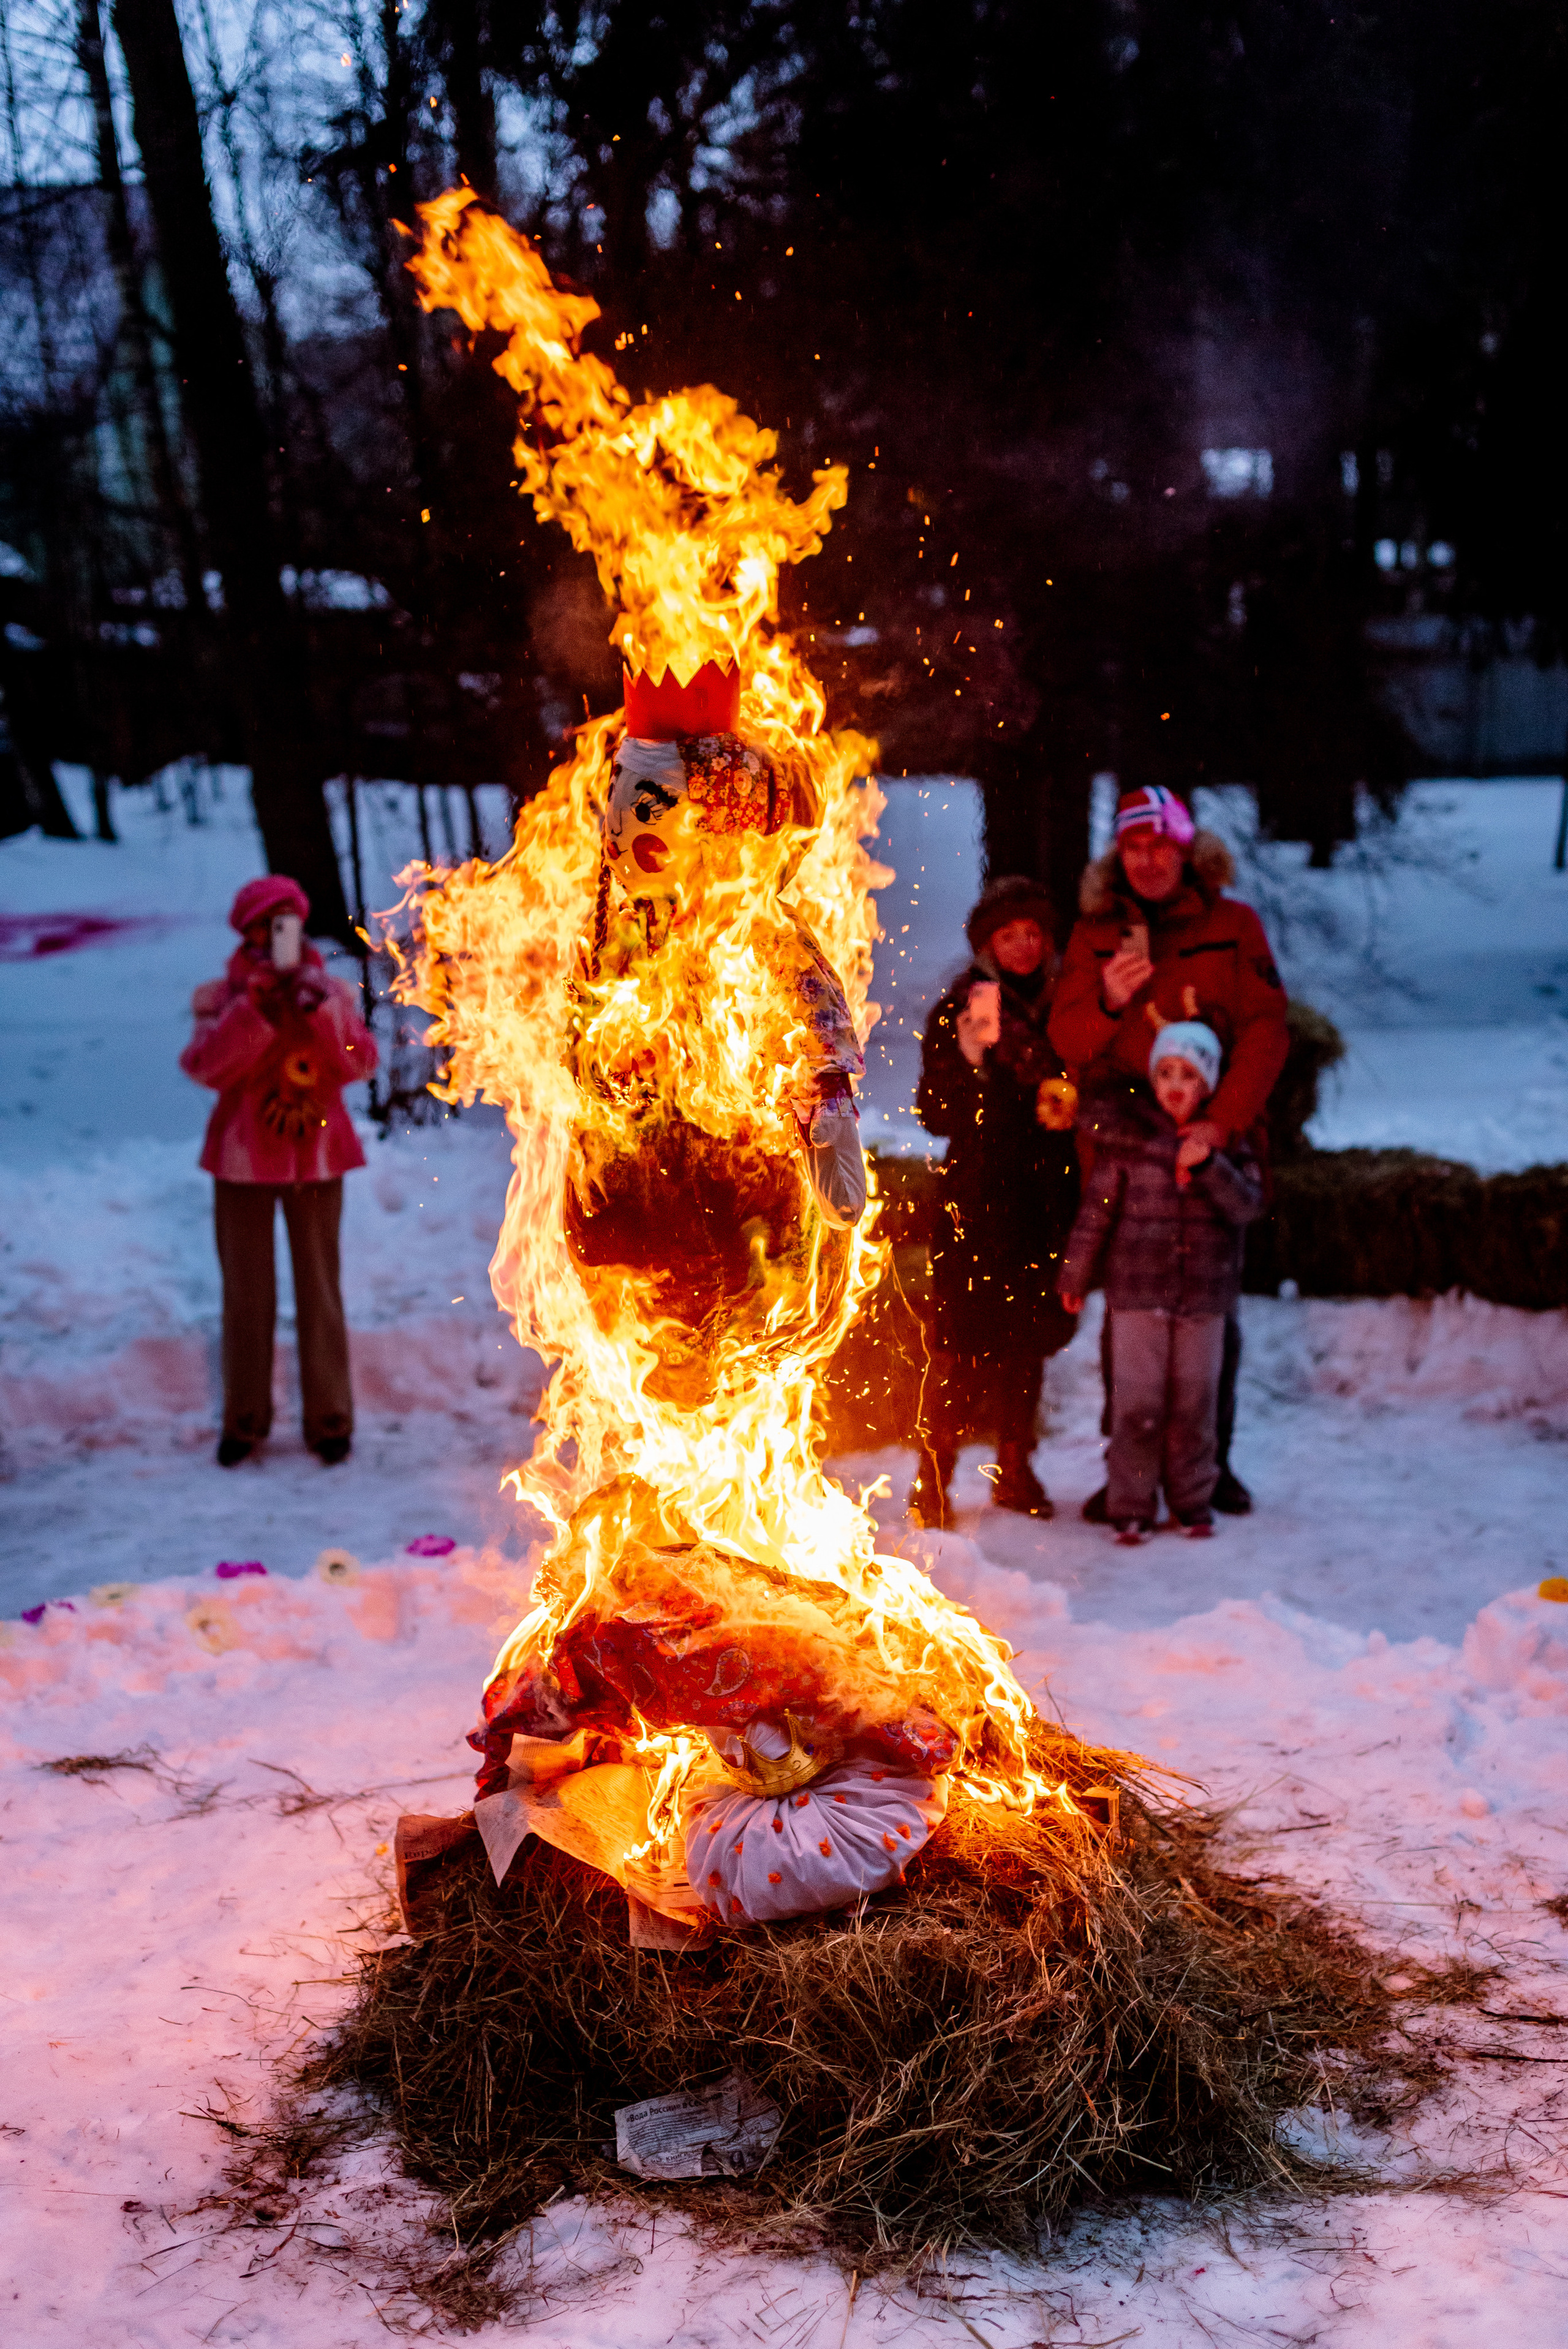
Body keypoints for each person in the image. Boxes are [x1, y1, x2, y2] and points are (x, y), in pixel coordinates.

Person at [1049, 783, 1287, 1516]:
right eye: (1133, 846)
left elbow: (1266, 1029)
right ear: (1118, 854)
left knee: (1212, 1317)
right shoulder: (1094, 934)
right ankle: (1128, 1473)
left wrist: (1222, 1122)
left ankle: (1211, 1465)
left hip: (1208, 1139)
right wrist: (1109, 1003)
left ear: (1185, 849)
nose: (1147, 860)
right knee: (1132, 1321)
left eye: (1160, 845)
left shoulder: (1233, 924)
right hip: (1125, 1148)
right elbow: (1069, 1042)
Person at [181, 876, 379, 1467]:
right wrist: (255, 1008)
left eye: (286, 923)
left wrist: (319, 1008)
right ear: (247, 933)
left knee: (320, 1290)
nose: (275, 937)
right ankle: (244, 1421)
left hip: (317, 1156)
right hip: (241, 1160)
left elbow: (361, 1064)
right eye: (266, 926)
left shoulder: (331, 992)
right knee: (246, 1294)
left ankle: (331, 1419)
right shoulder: (220, 997)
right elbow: (207, 1068)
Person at [912, 874, 1081, 1526]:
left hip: (1042, 1201)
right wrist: (970, 1064)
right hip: (976, 1202)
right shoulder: (964, 1006)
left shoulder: (1065, 1005)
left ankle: (1014, 1470)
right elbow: (933, 1113)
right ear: (987, 941)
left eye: (1033, 933)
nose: (1023, 946)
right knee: (958, 1345)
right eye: (1009, 935)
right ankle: (934, 1477)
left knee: (1025, 1343)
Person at [1058, 1018, 1264, 1541]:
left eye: (1189, 1076)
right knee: (1139, 1405)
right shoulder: (1126, 1144)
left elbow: (1246, 1207)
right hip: (1136, 1296)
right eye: (1166, 1072)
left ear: (1209, 1086)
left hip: (1204, 1300)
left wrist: (1210, 1166)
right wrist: (1076, 1275)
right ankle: (1130, 1503)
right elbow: (1096, 1214)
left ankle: (1193, 1500)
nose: (1176, 1085)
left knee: (1196, 1403)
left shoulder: (1229, 1146)